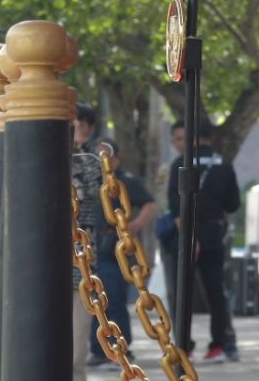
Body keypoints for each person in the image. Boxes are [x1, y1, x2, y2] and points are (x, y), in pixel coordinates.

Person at [165, 116, 241, 363]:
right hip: (214, 233)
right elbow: (233, 204)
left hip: (187, 233)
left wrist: (190, 238)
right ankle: (220, 344)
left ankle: (184, 347)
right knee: (215, 291)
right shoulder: (223, 164)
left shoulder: (181, 163)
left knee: (182, 293)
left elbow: (176, 209)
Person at [86, 138, 158, 369]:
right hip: (91, 248)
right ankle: (99, 350)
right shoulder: (89, 183)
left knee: (114, 299)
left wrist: (134, 225)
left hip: (114, 250)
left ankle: (121, 348)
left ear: (116, 158)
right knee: (92, 300)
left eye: (106, 156)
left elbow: (149, 204)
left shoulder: (125, 182)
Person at [71, 103, 103, 381]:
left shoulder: (91, 162)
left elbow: (94, 187)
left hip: (81, 263)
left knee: (75, 348)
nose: (73, 129)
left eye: (79, 124)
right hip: (44, 263)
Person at [157, 121, 184, 315]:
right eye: (176, 139)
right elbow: (167, 202)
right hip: (172, 232)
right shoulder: (168, 169)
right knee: (175, 287)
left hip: (198, 231)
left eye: (183, 138)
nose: (180, 143)